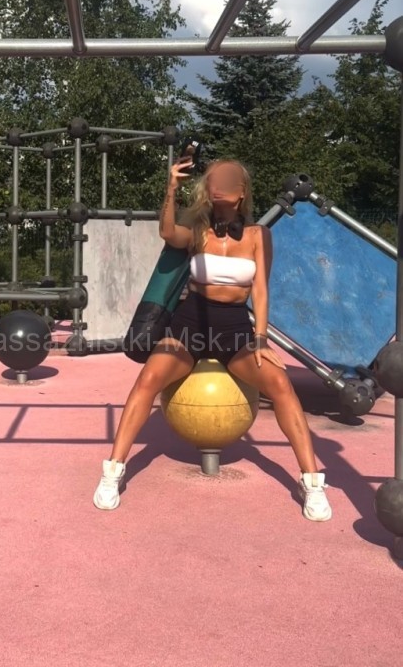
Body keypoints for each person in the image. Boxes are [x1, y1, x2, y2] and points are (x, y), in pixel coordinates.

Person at [93, 156, 332, 521]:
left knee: (280, 384)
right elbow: (167, 233)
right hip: (190, 325)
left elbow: (261, 290)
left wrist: (261, 338)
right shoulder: (198, 230)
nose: (220, 185)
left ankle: (312, 482)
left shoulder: (258, 236)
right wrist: (171, 188)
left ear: (242, 192)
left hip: (234, 330)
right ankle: (113, 471)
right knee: (148, 379)